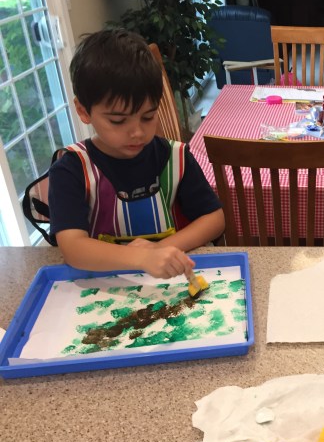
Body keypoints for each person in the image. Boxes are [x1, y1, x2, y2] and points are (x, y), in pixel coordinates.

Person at [48, 29, 225, 279]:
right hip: (105, 288)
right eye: (118, 121)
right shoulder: (71, 169)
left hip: (170, 283)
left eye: (148, 117)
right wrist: (141, 258)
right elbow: (73, 248)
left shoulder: (176, 158)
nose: (138, 133)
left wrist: (159, 251)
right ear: (83, 111)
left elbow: (214, 219)